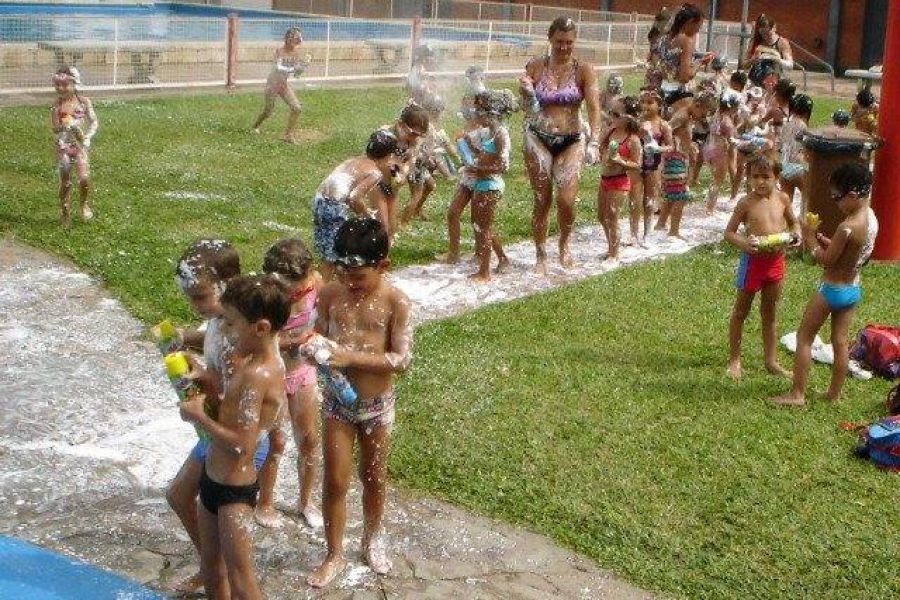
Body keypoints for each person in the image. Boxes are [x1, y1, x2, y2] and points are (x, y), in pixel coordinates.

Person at [305, 218, 412, 588]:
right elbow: (316, 333)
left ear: (383, 266)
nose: (350, 283)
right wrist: (314, 347)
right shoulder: (331, 295)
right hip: (338, 404)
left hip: (377, 406)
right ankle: (333, 553)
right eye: (343, 273)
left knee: (374, 477)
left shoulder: (395, 301)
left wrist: (349, 357)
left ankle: (372, 537)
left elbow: (401, 360)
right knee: (335, 480)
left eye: (359, 276)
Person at [179, 274, 289, 600]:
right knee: (213, 570)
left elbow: (244, 444)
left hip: (234, 489)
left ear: (260, 328)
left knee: (242, 583)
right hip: (213, 479)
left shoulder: (260, 373)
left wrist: (199, 418)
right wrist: (206, 382)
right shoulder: (247, 361)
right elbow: (229, 409)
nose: (224, 331)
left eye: (229, 323)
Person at [163, 239, 254, 595]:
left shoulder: (239, 338)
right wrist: (186, 338)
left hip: (234, 440)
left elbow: (237, 398)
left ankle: (216, 571)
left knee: (236, 562)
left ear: (227, 285)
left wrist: (203, 384)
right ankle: (211, 566)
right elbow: (211, 336)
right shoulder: (223, 321)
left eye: (200, 297)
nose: (194, 305)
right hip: (216, 434)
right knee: (178, 496)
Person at [772, 164, 878, 406]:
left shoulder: (847, 227)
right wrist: (829, 242)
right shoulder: (870, 218)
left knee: (804, 338)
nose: (835, 202)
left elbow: (826, 261)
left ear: (852, 195)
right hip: (852, 288)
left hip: (831, 289)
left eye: (836, 197)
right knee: (840, 342)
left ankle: (797, 394)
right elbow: (854, 253)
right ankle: (834, 394)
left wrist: (810, 238)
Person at [520, 16, 601, 273]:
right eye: (559, 42)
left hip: (571, 140)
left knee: (566, 201)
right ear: (550, 39)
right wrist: (525, 91)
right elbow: (526, 107)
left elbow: (594, 108)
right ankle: (540, 254)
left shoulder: (584, 70)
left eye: (569, 42)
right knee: (542, 199)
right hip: (538, 137)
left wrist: (595, 141)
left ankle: (565, 244)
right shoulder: (535, 65)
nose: (564, 47)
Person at [255, 238, 324, 529]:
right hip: (273, 376)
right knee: (276, 441)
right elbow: (257, 339)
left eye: (300, 285)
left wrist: (319, 337)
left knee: (309, 440)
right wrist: (293, 341)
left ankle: (306, 500)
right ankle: (264, 501)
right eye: (287, 288)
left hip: (302, 371)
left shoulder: (315, 283)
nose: (296, 293)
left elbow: (323, 319)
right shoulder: (264, 298)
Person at [723, 154, 800, 380]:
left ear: (776, 177)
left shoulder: (783, 199)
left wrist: (795, 233)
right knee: (740, 312)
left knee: (770, 312)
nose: (760, 182)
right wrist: (744, 243)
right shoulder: (746, 203)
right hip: (753, 263)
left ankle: (771, 360)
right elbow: (729, 233)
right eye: (755, 176)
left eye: (766, 176)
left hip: (775, 262)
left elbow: (794, 221)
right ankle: (735, 359)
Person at [311, 129, 403, 279]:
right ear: (388, 156)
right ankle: (322, 293)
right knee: (332, 257)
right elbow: (355, 197)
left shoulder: (354, 160)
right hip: (334, 207)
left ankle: (331, 282)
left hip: (319, 199)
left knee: (329, 251)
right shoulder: (374, 173)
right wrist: (367, 215)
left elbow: (345, 191)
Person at [461, 89, 514, 281]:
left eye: (480, 111)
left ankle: (484, 272)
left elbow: (503, 165)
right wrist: (471, 148)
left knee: (483, 228)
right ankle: (502, 258)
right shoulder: (491, 132)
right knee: (482, 226)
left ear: (493, 113)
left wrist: (478, 170)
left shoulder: (501, 134)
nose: (477, 115)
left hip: (490, 186)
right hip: (482, 184)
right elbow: (486, 155)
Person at [370, 104, 431, 237]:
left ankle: (384, 253)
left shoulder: (413, 142)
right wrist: (398, 174)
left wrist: (404, 170)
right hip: (377, 184)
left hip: (392, 187)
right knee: (382, 227)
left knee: (391, 229)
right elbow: (383, 163)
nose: (415, 137)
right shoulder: (384, 136)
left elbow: (405, 168)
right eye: (413, 133)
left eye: (420, 135)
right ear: (400, 124)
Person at [50, 66, 98, 228]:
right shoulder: (57, 105)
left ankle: (83, 205)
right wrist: (66, 126)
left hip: (79, 145)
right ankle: (65, 212)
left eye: (65, 84)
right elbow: (55, 128)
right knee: (66, 182)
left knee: (84, 178)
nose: (60, 88)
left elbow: (94, 122)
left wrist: (87, 138)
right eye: (57, 85)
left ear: (75, 83)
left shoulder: (84, 102)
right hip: (64, 147)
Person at [598, 96, 643, 262]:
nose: (612, 118)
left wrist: (620, 161)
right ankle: (611, 247)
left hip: (619, 181)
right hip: (605, 179)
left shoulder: (633, 140)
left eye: (616, 114)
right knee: (602, 217)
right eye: (611, 113)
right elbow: (599, 145)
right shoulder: (611, 132)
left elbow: (637, 165)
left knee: (613, 216)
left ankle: (614, 254)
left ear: (629, 117)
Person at [251, 27, 310, 143]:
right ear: (287, 39)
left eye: (297, 39)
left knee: (297, 108)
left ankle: (288, 135)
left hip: (283, 85)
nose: (297, 42)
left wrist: (302, 68)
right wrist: (294, 68)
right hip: (272, 86)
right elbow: (278, 68)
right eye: (294, 39)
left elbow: (296, 75)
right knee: (268, 111)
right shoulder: (280, 51)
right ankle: (255, 126)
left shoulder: (296, 53)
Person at [657, 3, 713, 114]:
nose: (698, 29)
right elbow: (685, 76)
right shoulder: (686, 40)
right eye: (698, 25)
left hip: (663, 89)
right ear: (690, 22)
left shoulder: (664, 38)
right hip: (680, 94)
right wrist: (701, 62)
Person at [703, 91, 739, 215]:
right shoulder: (727, 122)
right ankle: (709, 209)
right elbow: (732, 141)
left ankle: (709, 206)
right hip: (719, 151)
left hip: (708, 149)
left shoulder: (716, 115)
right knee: (717, 181)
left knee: (714, 180)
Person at [778, 93, 813, 206]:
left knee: (786, 203)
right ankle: (802, 220)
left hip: (784, 166)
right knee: (808, 199)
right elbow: (806, 148)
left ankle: (785, 223)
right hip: (798, 167)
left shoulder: (786, 124)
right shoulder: (803, 125)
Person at [743, 14, 794, 80]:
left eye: (767, 33)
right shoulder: (756, 42)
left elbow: (790, 66)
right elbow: (744, 64)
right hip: (756, 80)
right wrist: (753, 60)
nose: (765, 36)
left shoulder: (782, 43)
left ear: (774, 28)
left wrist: (775, 59)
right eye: (762, 33)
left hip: (773, 82)